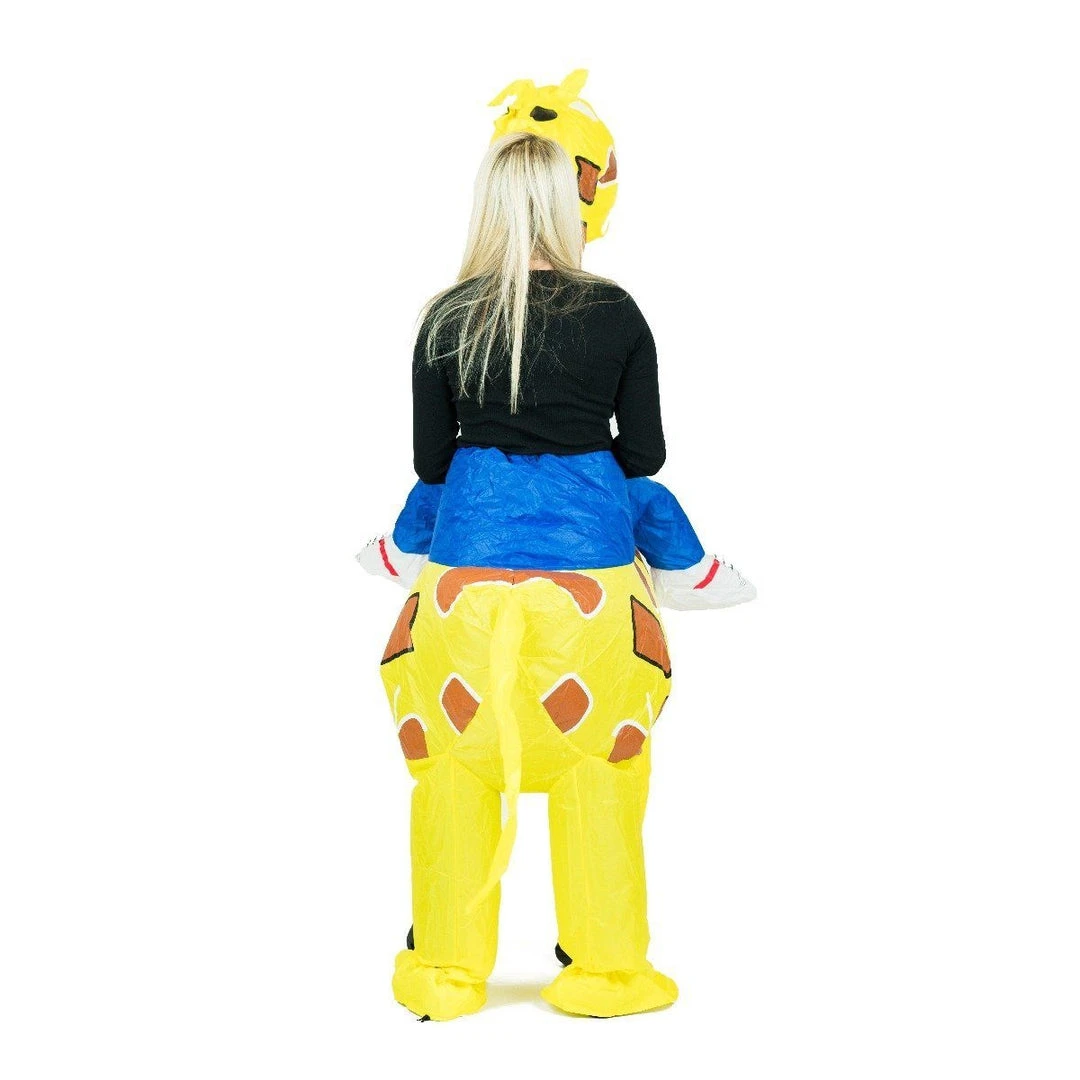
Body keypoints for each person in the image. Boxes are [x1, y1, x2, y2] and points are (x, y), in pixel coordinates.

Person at [373, 130, 751, 1021]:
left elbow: (431, 463)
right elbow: (645, 454)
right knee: (599, 778)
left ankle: (447, 971)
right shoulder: (614, 313)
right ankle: (607, 971)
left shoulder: (446, 317)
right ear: (573, 202)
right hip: (590, 608)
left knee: (454, 778)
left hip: (461, 606)